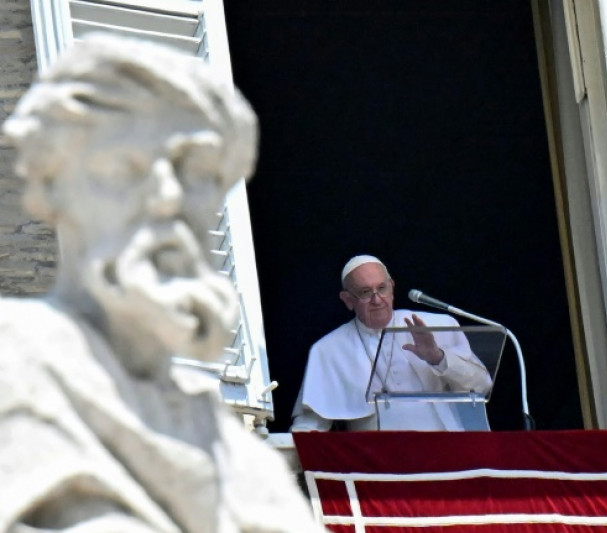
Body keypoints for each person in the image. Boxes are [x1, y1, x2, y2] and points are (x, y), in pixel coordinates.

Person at [0, 35, 319, 531]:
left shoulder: (236, 454)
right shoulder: (12, 362)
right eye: (125, 166)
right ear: (48, 185)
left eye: (193, 169)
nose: (167, 196)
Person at [292, 255, 493, 431]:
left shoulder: (438, 325)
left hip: (445, 450)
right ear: (347, 300)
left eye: (381, 288)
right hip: (376, 462)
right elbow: (311, 424)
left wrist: (437, 357)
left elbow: (481, 387)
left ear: (392, 287)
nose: (377, 300)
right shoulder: (329, 350)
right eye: (365, 292)